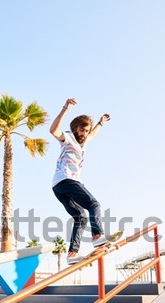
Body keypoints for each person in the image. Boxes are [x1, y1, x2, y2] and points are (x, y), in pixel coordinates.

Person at [50, 98, 111, 264]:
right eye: (82, 130)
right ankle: (97, 235)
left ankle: (72, 254)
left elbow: (93, 134)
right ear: (75, 129)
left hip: (58, 187)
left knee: (80, 217)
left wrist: (100, 123)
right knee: (94, 205)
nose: (84, 134)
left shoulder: (83, 142)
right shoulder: (68, 138)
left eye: (86, 131)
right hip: (67, 180)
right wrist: (65, 109)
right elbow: (53, 130)